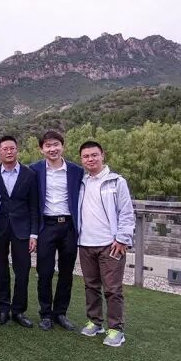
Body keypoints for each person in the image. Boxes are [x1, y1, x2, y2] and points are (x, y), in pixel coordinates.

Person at [77, 141, 134, 347]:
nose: (90, 159)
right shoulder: (81, 182)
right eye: (86, 156)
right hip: (85, 243)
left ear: (103, 155)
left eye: (94, 155)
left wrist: (122, 238)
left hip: (110, 244)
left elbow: (126, 212)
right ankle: (95, 322)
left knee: (112, 289)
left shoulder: (117, 181)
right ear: (81, 160)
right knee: (91, 286)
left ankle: (116, 328)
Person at [30, 131, 84, 331]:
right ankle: (45, 314)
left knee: (66, 272)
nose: (52, 149)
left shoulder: (76, 171)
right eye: (48, 145)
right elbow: (31, 203)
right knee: (44, 272)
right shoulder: (34, 170)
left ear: (63, 146)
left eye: (55, 144)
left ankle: (60, 313)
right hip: (46, 226)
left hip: (69, 226)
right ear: (41, 149)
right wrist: (33, 232)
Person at [0, 136, 38, 328]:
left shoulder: (30, 174)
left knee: (23, 270)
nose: (9, 152)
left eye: (12, 148)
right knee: (0, 269)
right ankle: (3, 308)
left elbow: (34, 206)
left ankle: (18, 310)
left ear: (17, 150)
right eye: (5, 149)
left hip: (23, 229)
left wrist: (34, 234)